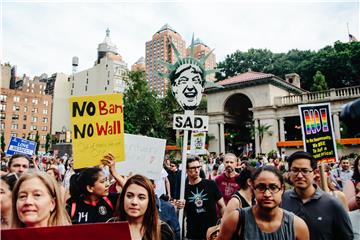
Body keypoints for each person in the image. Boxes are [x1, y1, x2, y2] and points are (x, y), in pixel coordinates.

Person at [216, 165, 309, 240]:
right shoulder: (236, 220)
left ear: (282, 189)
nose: (267, 194)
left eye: (273, 187)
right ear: (252, 188)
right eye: (261, 187)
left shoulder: (297, 226)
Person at [282, 151, 354, 240]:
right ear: (289, 172)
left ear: (315, 172)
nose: (300, 175)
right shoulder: (281, 200)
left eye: (305, 171)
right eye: (295, 170)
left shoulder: (332, 204)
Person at [66, 153, 125, 224]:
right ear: (90, 188)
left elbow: (130, 191)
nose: (107, 184)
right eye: (102, 181)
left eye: (106, 180)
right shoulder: (72, 206)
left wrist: (114, 173)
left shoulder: (111, 199)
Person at [112, 174, 174, 240]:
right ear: (123, 198)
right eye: (129, 196)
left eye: (141, 197)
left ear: (149, 201)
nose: (134, 202)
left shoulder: (163, 230)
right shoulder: (111, 225)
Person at [185, 157, 226, 239]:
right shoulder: (183, 189)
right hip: (193, 234)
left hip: (212, 232)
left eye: (198, 167)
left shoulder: (211, 184)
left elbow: (222, 206)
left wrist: (222, 225)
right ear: (186, 170)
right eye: (193, 168)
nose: (196, 170)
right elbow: (183, 212)